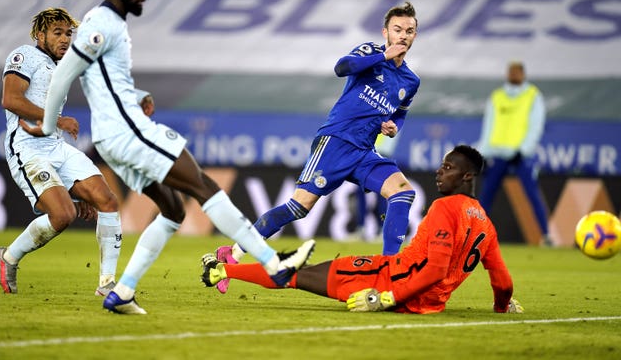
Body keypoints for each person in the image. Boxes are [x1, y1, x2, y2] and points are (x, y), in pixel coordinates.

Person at [22, 0, 315, 315]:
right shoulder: (100, 23)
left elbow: (104, 85)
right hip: (127, 133)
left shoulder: (112, 24)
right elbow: (64, 73)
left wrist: (137, 96)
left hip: (115, 135)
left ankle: (123, 291)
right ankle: (275, 265)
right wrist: (48, 127)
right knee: (203, 186)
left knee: (174, 210)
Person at [215, 1, 421, 293]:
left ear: (415, 35)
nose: (403, 35)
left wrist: (393, 126)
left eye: (409, 31)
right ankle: (232, 254)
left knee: (403, 192)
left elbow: (400, 113)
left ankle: (391, 272)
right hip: (336, 141)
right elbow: (342, 67)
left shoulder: (411, 80)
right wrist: (383, 55)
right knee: (299, 207)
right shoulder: (371, 53)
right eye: (397, 29)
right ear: (385, 32)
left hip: (364, 150)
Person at [202, 145, 524, 315]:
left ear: (468, 177)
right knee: (300, 273)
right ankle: (225, 270)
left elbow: (436, 269)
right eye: (442, 165)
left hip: (390, 281)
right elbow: (503, 281)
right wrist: (501, 306)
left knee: (296, 273)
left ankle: (224, 270)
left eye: (449, 167)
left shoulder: (445, 207)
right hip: (429, 304)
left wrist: (385, 297)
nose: (440, 172)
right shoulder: (485, 223)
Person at [0, 7, 122, 296]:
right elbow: (10, 99)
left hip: (56, 147)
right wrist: (55, 118)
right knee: (63, 216)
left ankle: (107, 283)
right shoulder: (24, 55)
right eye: (57, 33)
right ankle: (9, 257)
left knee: (107, 200)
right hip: (27, 148)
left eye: (68, 34)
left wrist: (76, 190)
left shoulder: (63, 67)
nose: (65, 39)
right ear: (40, 35)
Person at [476, 61, 549, 244]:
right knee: (486, 195)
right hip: (497, 154)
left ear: (523, 74)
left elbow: (536, 125)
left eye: (517, 72)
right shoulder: (497, 96)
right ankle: (475, 235)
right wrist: (482, 153)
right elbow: (489, 127)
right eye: (511, 72)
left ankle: (547, 236)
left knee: (532, 195)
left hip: (521, 155)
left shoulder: (533, 95)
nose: (514, 75)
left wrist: (525, 149)